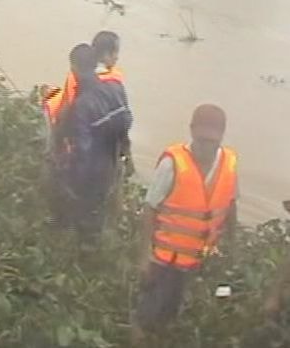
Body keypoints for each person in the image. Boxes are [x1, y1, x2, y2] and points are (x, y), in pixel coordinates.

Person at [132, 104, 238, 345]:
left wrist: (232, 246)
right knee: (147, 313)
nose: (206, 146)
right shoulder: (173, 163)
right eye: (202, 139)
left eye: (212, 141)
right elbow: (150, 209)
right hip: (163, 258)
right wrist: (143, 256)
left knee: (172, 311)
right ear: (191, 131)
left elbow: (231, 205)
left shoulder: (229, 164)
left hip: (195, 259)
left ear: (222, 135)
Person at [49, 44, 132, 243]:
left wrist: (73, 182)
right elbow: (126, 123)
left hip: (93, 169)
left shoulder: (82, 104)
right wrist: (127, 157)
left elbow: (83, 149)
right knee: (101, 212)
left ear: (74, 68)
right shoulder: (116, 88)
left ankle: (79, 246)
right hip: (113, 161)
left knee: (83, 216)